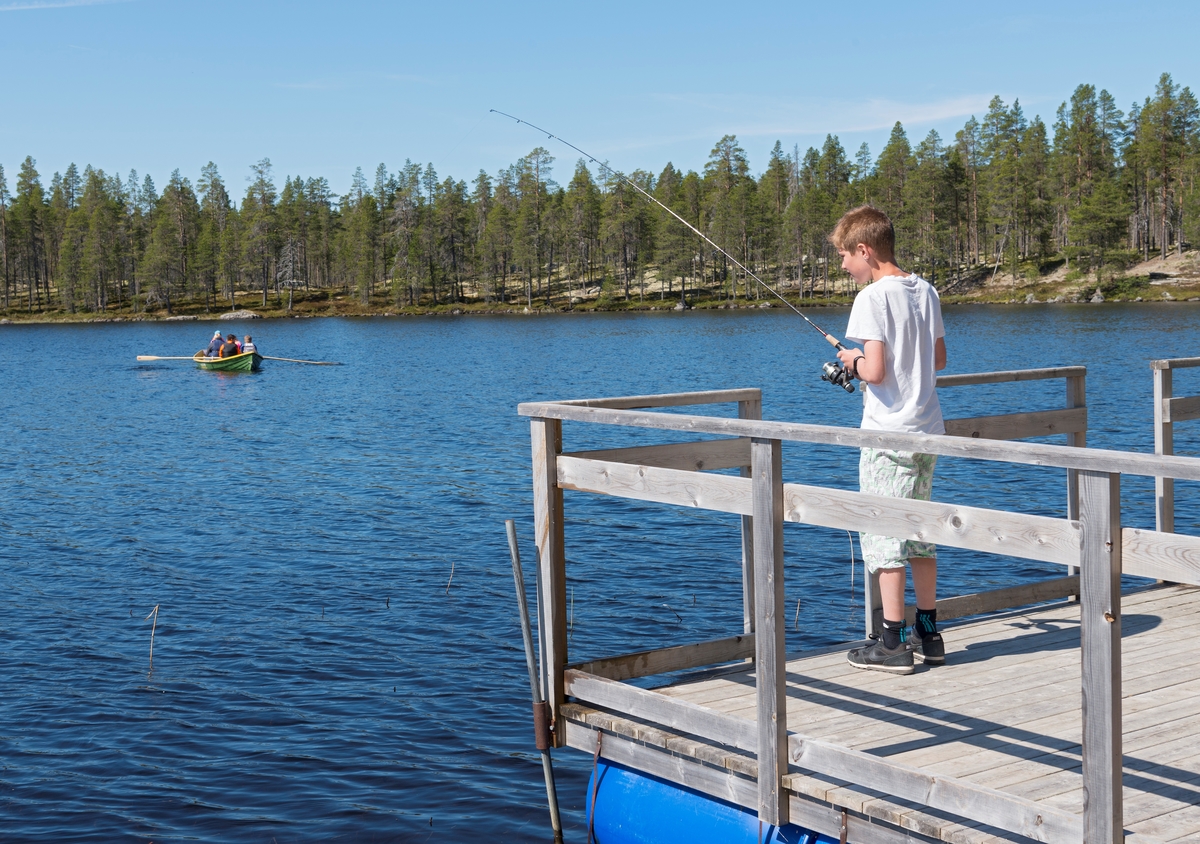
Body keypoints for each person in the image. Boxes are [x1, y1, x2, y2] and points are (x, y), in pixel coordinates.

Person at [830, 205, 948, 675]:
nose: (843, 266)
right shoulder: (926, 290)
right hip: (928, 433)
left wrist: (851, 360)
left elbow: (875, 372)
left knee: (884, 535)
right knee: (921, 533)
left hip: (887, 436)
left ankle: (892, 643)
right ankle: (929, 631)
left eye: (844, 256)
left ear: (865, 250)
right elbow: (937, 359)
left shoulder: (872, 298)